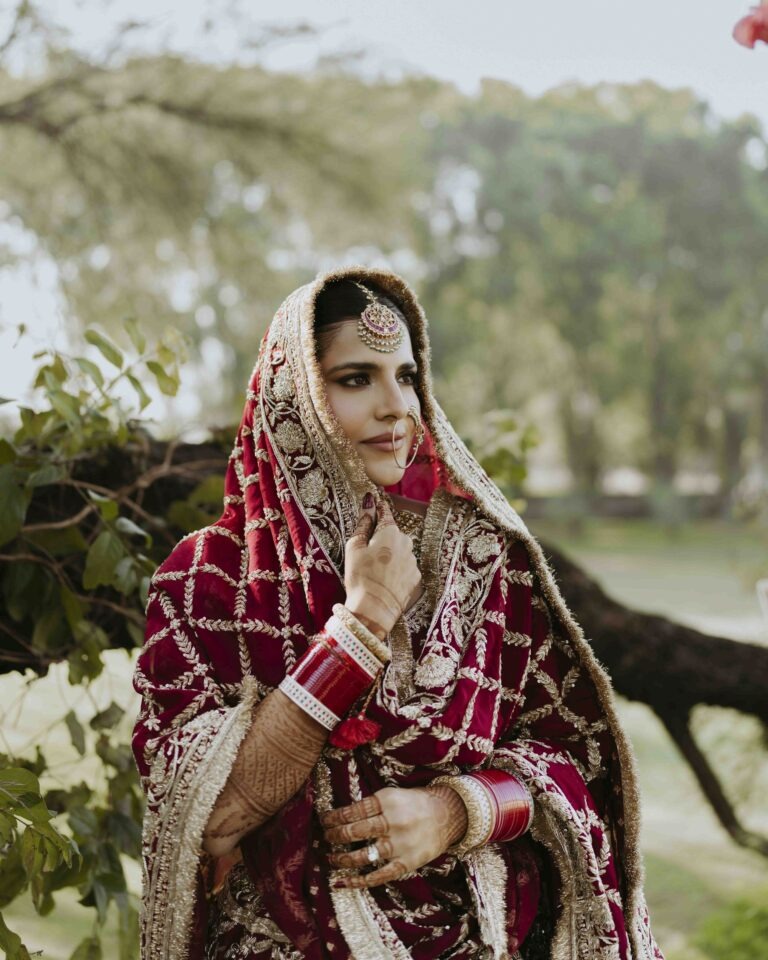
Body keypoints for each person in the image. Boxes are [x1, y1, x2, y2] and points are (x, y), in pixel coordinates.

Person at [132, 266, 664, 960]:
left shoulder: (487, 567)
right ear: (298, 397)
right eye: (357, 379)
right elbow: (214, 817)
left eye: (406, 376)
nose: (396, 407)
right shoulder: (209, 580)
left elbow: (577, 762)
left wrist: (457, 812)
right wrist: (361, 625)